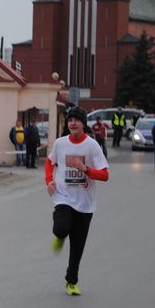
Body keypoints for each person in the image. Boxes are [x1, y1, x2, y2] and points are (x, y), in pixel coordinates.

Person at [45, 106, 109, 296]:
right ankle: (60, 236)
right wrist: (49, 180)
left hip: (85, 203)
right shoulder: (60, 143)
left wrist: (85, 169)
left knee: (77, 248)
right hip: (63, 197)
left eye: (76, 120)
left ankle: (71, 282)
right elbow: (50, 162)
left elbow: (105, 175)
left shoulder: (92, 146)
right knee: (61, 228)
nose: (72, 123)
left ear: (83, 124)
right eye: (70, 120)